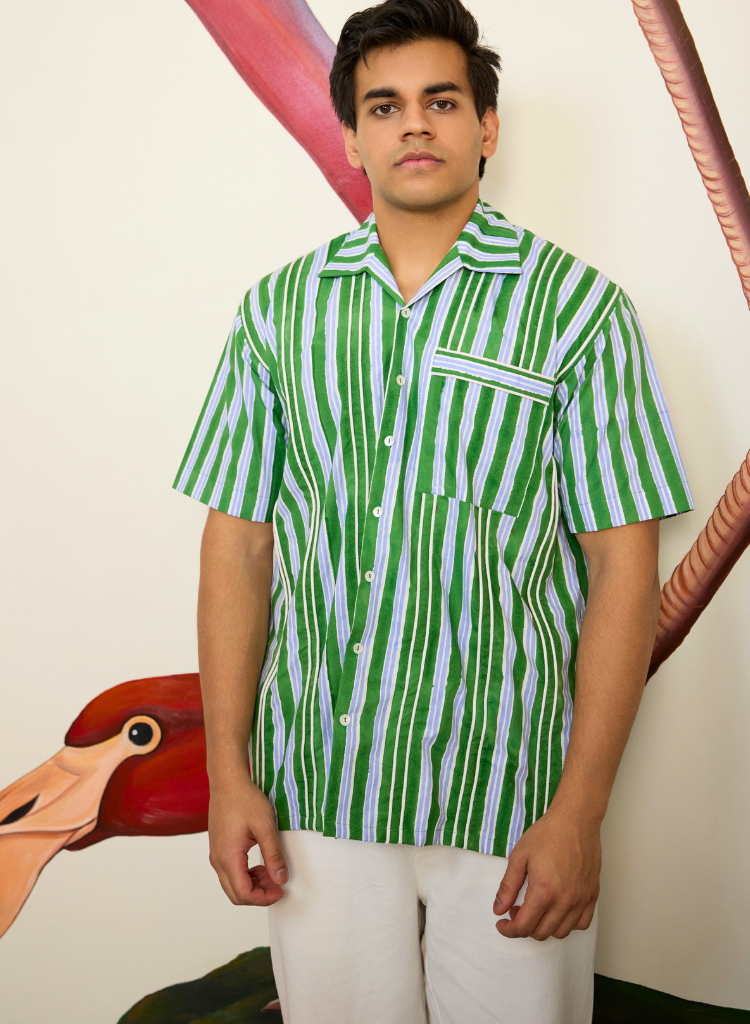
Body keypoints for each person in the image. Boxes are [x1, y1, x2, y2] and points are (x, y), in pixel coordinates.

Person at [173, 0, 693, 1020]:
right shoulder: (279, 314)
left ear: (486, 127)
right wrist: (230, 776)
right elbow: (236, 547)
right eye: (385, 105)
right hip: (318, 784)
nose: (414, 124)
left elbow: (623, 566)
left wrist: (580, 811)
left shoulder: (578, 311)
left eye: (442, 101)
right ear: (351, 136)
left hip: (510, 793)